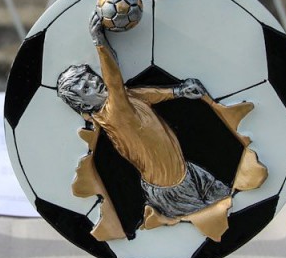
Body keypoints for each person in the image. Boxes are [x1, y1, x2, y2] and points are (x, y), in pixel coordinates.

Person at [56, 14, 231, 221]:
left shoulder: (123, 100)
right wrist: (98, 40)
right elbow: (113, 77)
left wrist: (178, 91)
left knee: (228, 200)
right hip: (171, 188)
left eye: (91, 78)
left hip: (185, 171)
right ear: (85, 105)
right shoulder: (113, 113)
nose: (95, 83)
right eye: (86, 88)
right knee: (210, 220)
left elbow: (145, 95)